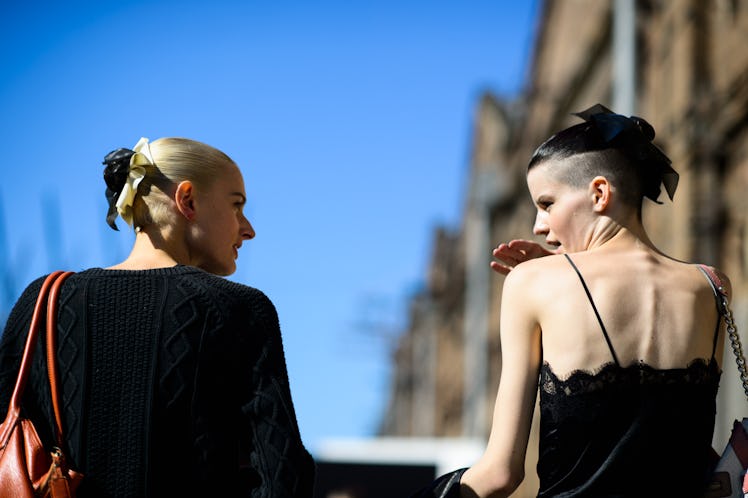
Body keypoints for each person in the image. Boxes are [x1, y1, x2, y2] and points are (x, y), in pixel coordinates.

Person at [0, 137, 315, 497]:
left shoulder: (43, 303)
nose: (248, 228)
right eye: (237, 206)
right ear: (188, 200)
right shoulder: (239, 310)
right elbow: (282, 476)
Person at [441, 104, 727, 497]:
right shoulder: (711, 285)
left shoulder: (531, 283)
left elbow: (500, 474)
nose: (539, 226)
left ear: (599, 193)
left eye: (546, 204)